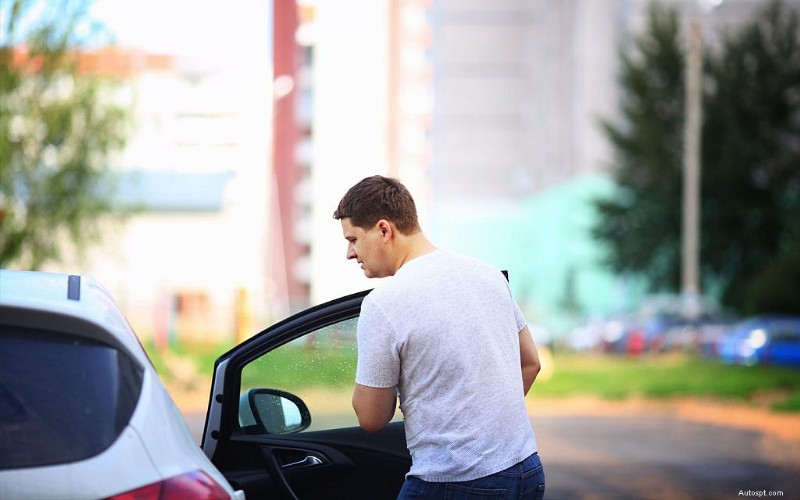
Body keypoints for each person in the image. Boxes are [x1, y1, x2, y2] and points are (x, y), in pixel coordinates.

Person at [333, 175, 546, 499]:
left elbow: (371, 418)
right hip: (526, 469)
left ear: (384, 230)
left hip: (453, 481)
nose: (350, 253)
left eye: (353, 239)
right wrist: (485, 428)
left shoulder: (384, 303)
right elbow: (530, 363)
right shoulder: (488, 274)